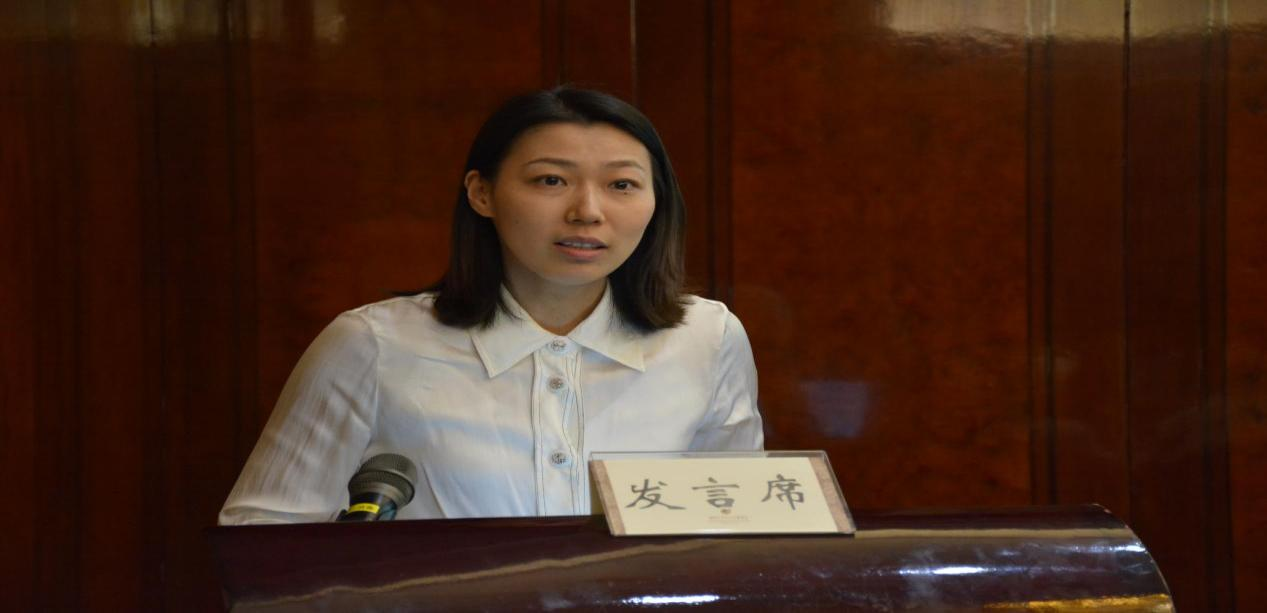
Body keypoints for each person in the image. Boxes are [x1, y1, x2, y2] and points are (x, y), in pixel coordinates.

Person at [219, 87, 763, 524]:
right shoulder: (373, 345)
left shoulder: (707, 338)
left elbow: (739, 529)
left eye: (622, 184)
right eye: (551, 180)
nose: (588, 211)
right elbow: (262, 540)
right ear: (482, 193)